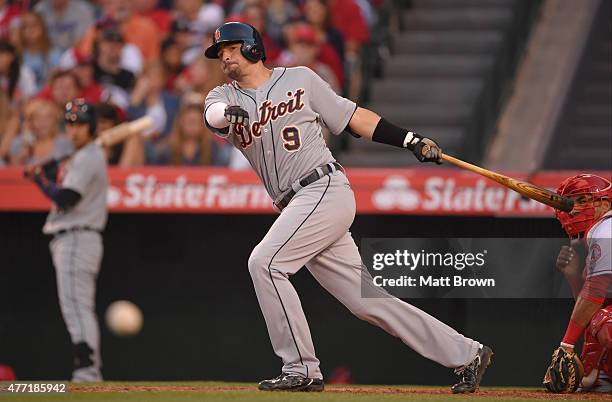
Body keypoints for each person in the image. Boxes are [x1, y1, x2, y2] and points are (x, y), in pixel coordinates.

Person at [203, 22, 493, 394]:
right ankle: (468, 353)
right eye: (219, 52)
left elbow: (353, 117)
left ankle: (301, 368)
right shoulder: (222, 96)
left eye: (230, 47)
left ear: (252, 48)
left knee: (265, 263)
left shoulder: (300, 80)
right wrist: (228, 114)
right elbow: (214, 116)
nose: (224, 56)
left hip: (322, 187)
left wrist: (410, 139)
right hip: (296, 204)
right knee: (367, 302)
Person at [24, 98, 107, 382]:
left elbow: (65, 198)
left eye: (81, 124)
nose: (74, 130)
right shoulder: (82, 155)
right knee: (76, 306)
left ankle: (87, 372)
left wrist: (39, 181)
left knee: (77, 306)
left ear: (91, 127)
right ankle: (88, 370)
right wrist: (47, 174)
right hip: (75, 239)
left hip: (77, 237)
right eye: (70, 124)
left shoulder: (89, 156)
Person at [545, 174, 611, 393]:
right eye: (571, 203)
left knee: (606, 323)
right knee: (599, 320)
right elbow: (594, 305)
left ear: (604, 203)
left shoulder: (606, 230)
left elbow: (594, 294)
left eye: (582, 201)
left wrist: (566, 346)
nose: (572, 210)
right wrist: (573, 276)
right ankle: (601, 377)